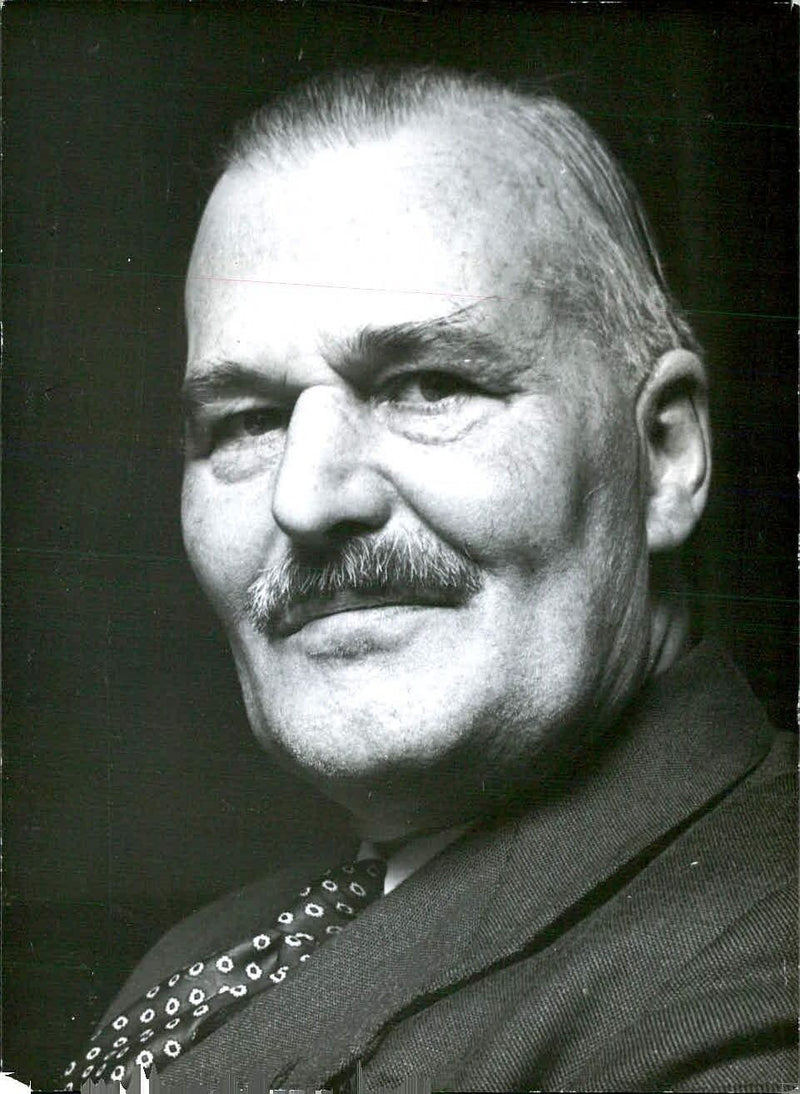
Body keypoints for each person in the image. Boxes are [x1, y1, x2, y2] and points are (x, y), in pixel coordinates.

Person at [63, 68, 797, 1092]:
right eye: (245, 421)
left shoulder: (762, 972)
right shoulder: (216, 943)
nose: (306, 498)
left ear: (664, 453)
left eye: (427, 386)